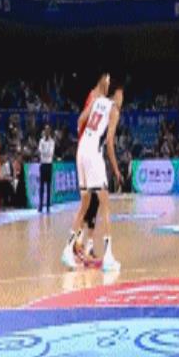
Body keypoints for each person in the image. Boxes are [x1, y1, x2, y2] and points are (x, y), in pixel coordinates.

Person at [61, 83, 123, 271]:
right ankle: (108, 256)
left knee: (84, 204)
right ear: (116, 94)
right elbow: (109, 143)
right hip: (94, 153)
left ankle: (68, 249)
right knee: (105, 204)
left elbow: (81, 119)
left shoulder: (96, 101)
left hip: (82, 149)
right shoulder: (114, 110)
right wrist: (116, 170)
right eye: (121, 95)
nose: (122, 100)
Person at [74, 73, 110, 260]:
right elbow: (82, 120)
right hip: (89, 153)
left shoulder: (96, 98)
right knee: (89, 203)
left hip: (89, 151)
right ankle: (79, 243)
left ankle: (85, 244)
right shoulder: (96, 98)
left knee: (91, 204)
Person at [38, 125, 55, 213]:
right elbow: (40, 151)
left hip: (49, 165)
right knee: (41, 186)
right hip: (43, 164)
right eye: (45, 130)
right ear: (44, 131)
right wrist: (45, 152)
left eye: (48, 130)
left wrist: (44, 152)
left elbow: (50, 153)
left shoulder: (52, 142)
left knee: (48, 186)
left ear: (50, 131)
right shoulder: (41, 141)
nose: (47, 131)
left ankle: (48, 206)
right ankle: (40, 205)